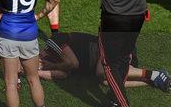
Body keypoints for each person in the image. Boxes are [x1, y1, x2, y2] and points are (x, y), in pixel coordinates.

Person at [38, 32, 171, 93]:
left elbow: (73, 63)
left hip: (110, 50)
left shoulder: (53, 41)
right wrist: (36, 73)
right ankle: (150, 80)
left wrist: (50, 65)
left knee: (103, 72)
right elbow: (62, 75)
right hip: (102, 59)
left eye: (39, 58)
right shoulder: (57, 60)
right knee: (106, 82)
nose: (41, 60)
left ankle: (154, 74)